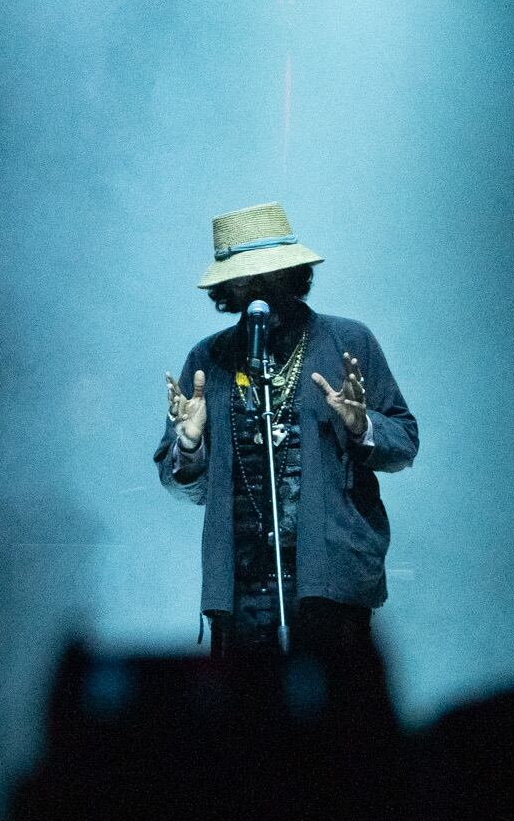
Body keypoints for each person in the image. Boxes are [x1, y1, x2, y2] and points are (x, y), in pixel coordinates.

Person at [157, 203, 417, 657]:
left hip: (332, 582)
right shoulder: (209, 360)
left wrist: (362, 427)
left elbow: (405, 442)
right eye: (246, 279)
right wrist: (190, 443)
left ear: (293, 273)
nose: (260, 291)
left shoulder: (348, 343)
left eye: (270, 276)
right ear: (229, 287)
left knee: (337, 720)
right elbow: (181, 485)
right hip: (239, 592)